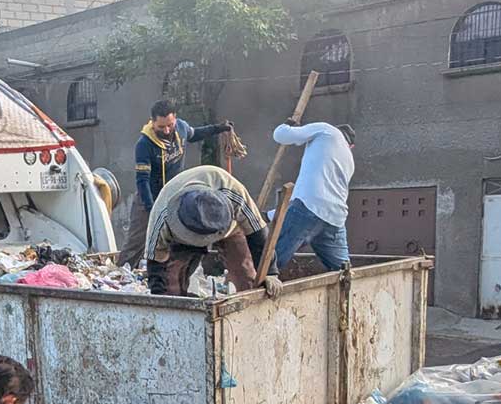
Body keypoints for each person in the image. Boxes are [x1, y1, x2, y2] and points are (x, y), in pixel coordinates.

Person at [119, 100, 234, 269]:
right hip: (150, 197)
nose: (166, 130)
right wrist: (152, 210)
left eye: (169, 125)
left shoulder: (181, 128)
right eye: (161, 127)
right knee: (137, 241)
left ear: (175, 120)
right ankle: (121, 273)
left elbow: (195, 134)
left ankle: (173, 277)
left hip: (176, 195)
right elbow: (142, 180)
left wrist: (218, 128)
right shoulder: (144, 145)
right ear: (152, 122)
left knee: (179, 238)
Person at [145, 165, 282, 298]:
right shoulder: (161, 216)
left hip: (229, 228)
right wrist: (161, 300)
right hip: (182, 237)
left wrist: (269, 272)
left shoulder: (232, 191)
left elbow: (257, 232)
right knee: (172, 284)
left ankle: (249, 315)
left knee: (246, 274)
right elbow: (156, 261)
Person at [271, 120, 355, 271]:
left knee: (270, 262)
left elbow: (280, 135)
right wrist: (272, 215)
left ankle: (250, 287)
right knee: (343, 271)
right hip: (335, 219)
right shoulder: (349, 160)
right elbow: (313, 189)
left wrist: (287, 125)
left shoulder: (326, 130)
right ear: (351, 146)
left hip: (309, 209)